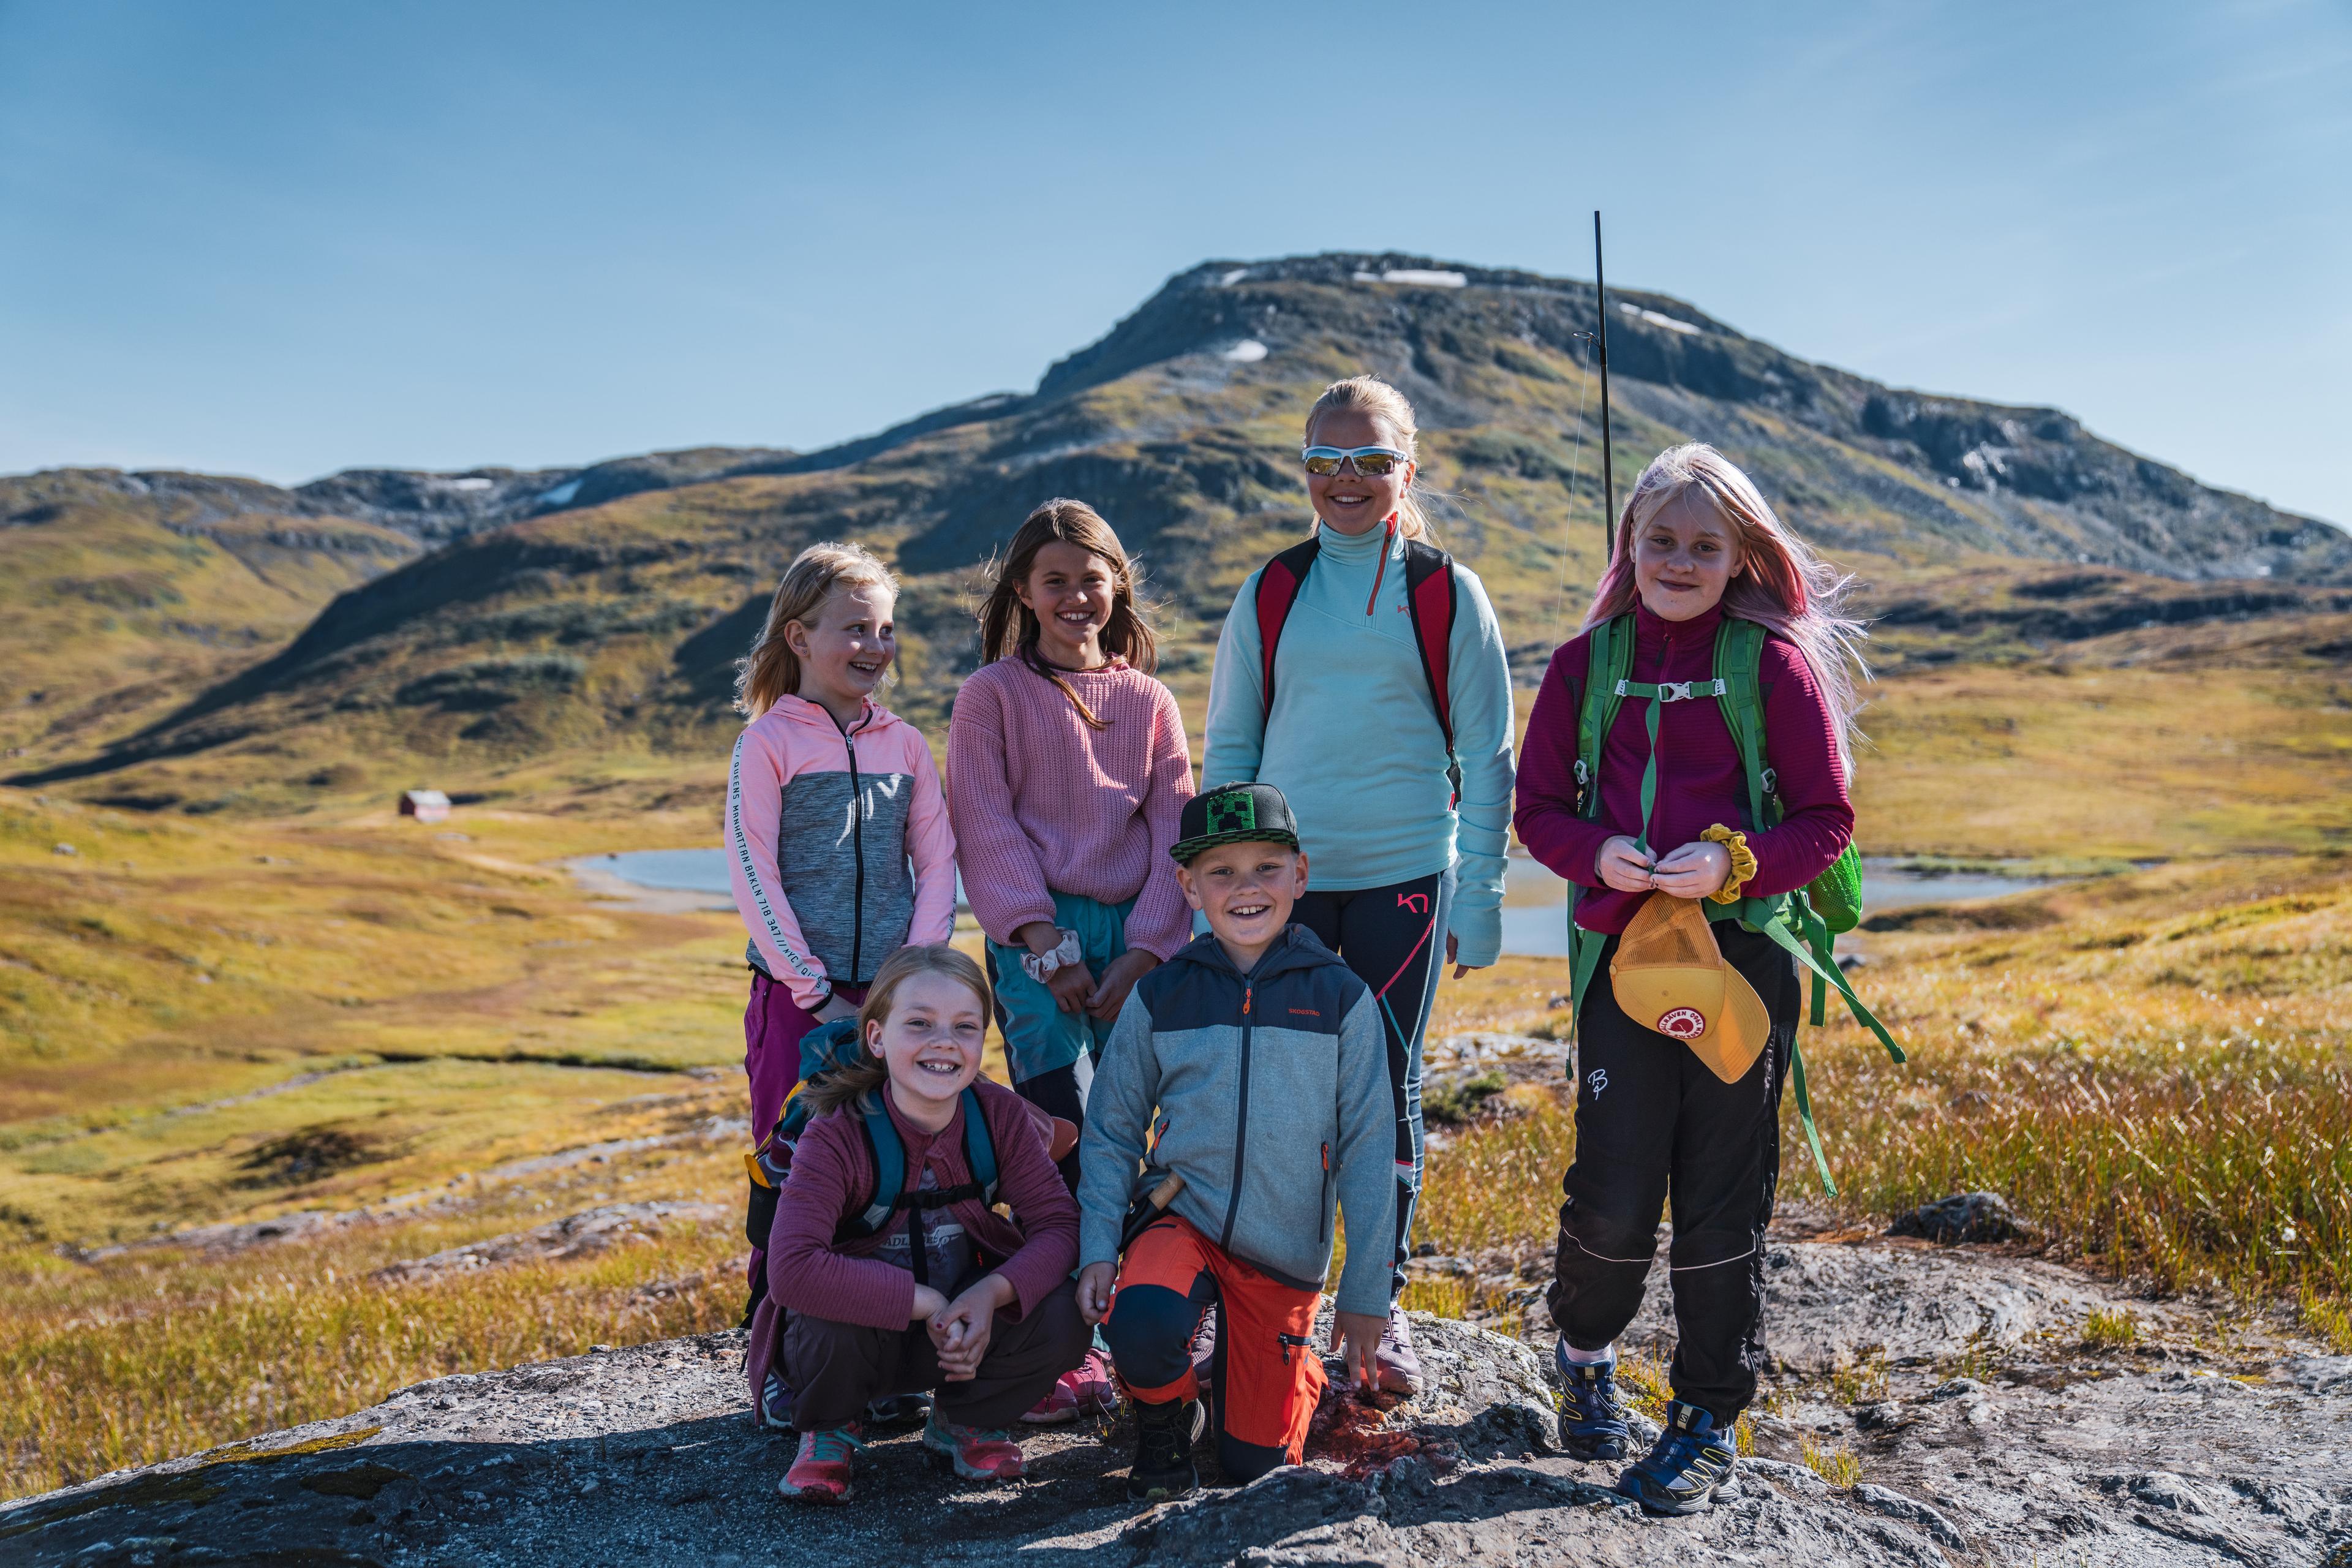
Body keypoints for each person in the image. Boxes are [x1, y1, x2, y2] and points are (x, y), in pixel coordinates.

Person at [1513, 443, 1866, 1515]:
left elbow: (1828, 821)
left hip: (1744, 964)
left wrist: (1732, 861)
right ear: (1630, 544)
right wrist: (1593, 854)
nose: (1678, 559)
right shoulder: (1585, 665)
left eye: (1703, 545)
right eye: (1659, 540)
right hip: (1624, 963)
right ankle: (1583, 1354)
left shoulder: (1775, 666)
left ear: (1741, 555)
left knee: (1722, 1198)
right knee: (1615, 1192)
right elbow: (1539, 813)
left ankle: (1708, 1413)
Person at [1199, 375, 1515, 1393]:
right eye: (1326, 459)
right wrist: (1225, 885)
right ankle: (1274, 1311)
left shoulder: (1444, 590)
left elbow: (1489, 752)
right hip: (1282, 889)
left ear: (1404, 471)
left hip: (1404, 883)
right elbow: (1233, 748)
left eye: (1370, 460)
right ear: (1302, 470)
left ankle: (1374, 1319)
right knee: (1280, 1095)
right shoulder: (1272, 589)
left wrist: (1483, 897)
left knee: (1383, 1092)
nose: (1347, 477)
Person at [1075, 782, 1396, 1500]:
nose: (1245, 888)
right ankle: (1165, 1421)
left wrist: (1368, 1292)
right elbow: (1112, 1128)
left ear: (1301, 875)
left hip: (1282, 1251)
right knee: (1145, 1320)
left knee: (1256, 1468)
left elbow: (1373, 1151)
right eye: (1221, 871)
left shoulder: (1343, 997)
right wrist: (1100, 1244)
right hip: (1181, 1215)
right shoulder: (1164, 992)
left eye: (1266, 867)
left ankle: (1287, 1365)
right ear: (1188, 886)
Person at [946, 497, 1195, 1423]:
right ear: (1023, 590)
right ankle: (1070, 1345)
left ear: (1116, 584)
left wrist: (1144, 950)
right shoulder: (991, 697)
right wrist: (1040, 938)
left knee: (1146, 1133)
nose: (1076, 597)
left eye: (1093, 578)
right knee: (1063, 1135)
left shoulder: (1151, 701)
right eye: (1056, 580)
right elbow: (984, 817)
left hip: (1139, 936)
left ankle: (1155, 1320)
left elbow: (1175, 828)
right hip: (1032, 940)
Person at [748, 944, 1090, 1504]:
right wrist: (926, 1302)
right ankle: (830, 1428)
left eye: (964, 1026)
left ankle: (966, 1421)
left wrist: (990, 1294)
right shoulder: (837, 1130)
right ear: (878, 1037)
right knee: (827, 1314)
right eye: (919, 1024)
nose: (943, 1043)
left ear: (984, 1039)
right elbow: (790, 1270)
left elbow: (1058, 1226)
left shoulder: (998, 1115)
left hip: (961, 1335)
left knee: (1065, 1306)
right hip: (856, 1338)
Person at [728, 542, 956, 1324]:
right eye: (856, 629)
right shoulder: (767, 744)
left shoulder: (907, 744)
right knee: (791, 1174)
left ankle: (878, 1350)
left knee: (888, 1170)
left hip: (890, 1000)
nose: (876, 648)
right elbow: (753, 874)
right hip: (797, 1004)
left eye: (886, 630)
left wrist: (915, 978)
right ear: (799, 637)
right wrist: (815, 990)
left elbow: (937, 861)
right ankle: (780, 1349)